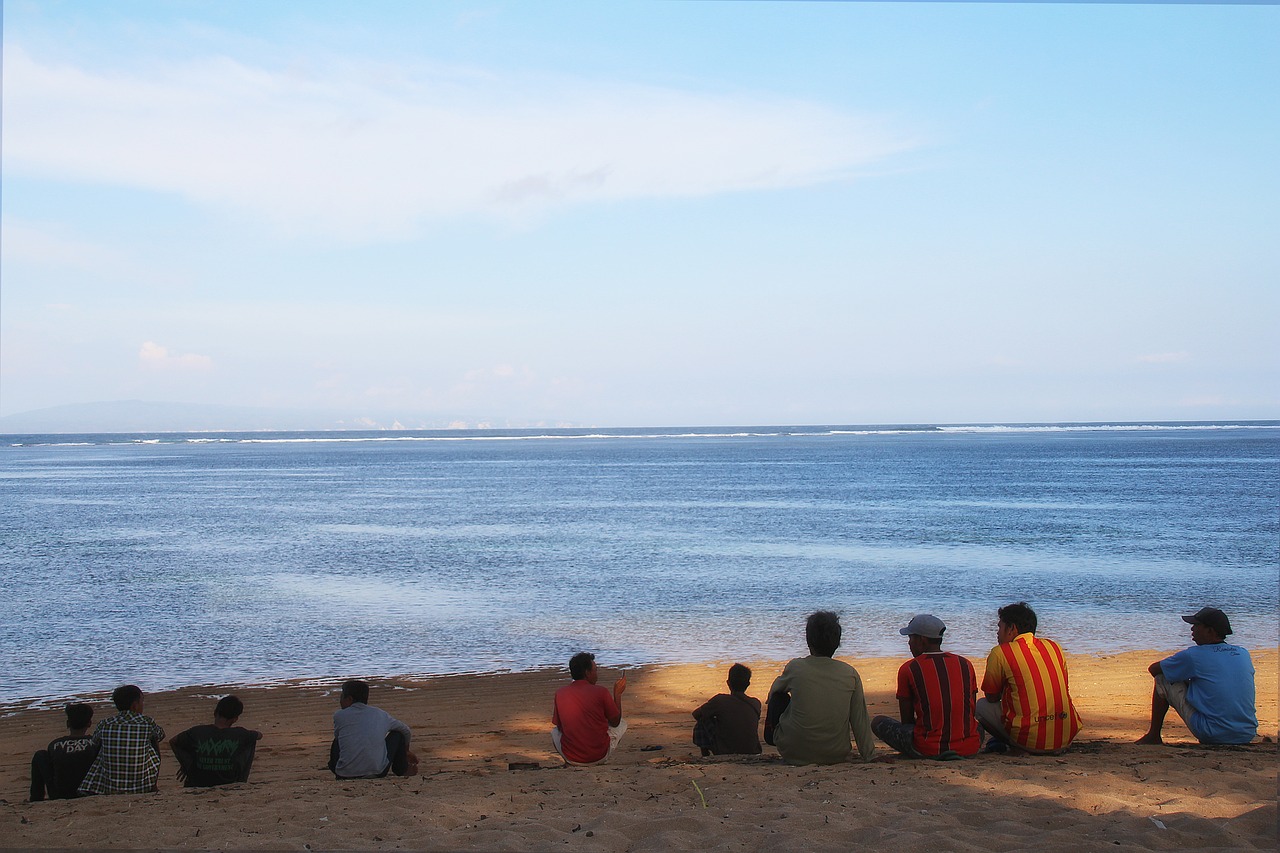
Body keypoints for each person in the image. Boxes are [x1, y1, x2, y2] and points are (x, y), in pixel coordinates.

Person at [763, 611, 875, 765]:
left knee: (779, 697)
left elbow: (772, 695)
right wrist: (869, 755)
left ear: (808, 641)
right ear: (837, 643)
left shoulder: (796, 667)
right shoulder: (849, 673)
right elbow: (859, 719)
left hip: (794, 752)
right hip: (836, 754)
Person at [1136, 607, 1257, 746]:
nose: (1192, 629)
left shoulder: (1194, 655)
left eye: (1196, 625)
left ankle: (1153, 735)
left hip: (1213, 733)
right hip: (1247, 733)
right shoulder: (1242, 653)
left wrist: (1184, 680)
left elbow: (1154, 669)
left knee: (1162, 678)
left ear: (1210, 631)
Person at [976, 602, 1082, 755]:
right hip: (1065, 738)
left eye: (999, 627)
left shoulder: (1001, 652)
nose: (997, 633)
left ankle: (1018, 745)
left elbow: (991, 697)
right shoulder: (1054, 647)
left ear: (1012, 628)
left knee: (981, 706)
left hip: (1032, 742)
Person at [871, 614, 981, 759]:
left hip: (928, 748)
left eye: (911, 638)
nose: (909, 643)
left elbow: (907, 720)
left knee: (878, 722)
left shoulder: (909, 668)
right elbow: (970, 711)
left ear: (921, 640)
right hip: (969, 747)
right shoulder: (965, 664)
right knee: (978, 726)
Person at [78, 685, 166, 795]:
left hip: (110, 786)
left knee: (102, 745)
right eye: (142, 701)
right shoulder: (147, 722)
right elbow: (161, 735)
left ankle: (96, 784)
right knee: (153, 741)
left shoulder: (105, 723)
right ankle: (153, 785)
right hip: (142, 786)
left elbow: (94, 743)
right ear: (135, 705)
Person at [329, 680, 418, 779]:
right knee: (398, 734)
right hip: (378, 772)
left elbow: (339, 739)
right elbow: (406, 730)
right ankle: (402, 769)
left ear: (349, 699)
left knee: (337, 739)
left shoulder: (339, 715)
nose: (340, 701)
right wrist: (406, 751)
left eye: (341, 697)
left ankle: (341, 768)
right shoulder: (380, 714)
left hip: (344, 774)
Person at [551, 652, 627, 765]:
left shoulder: (560, 693)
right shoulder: (601, 692)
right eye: (595, 670)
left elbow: (559, 726)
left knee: (554, 731)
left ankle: (573, 756)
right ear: (587, 673)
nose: (597, 674)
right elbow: (615, 722)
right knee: (622, 723)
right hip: (598, 756)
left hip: (571, 757)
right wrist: (617, 695)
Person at [169, 695, 263, 787]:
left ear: (215, 713)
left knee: (190, 742)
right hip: (228, 779)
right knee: (250, 741)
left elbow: (173, 741)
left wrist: (185, 764)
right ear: (235, 719)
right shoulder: (240, 734)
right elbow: (259, 735)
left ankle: (194, 769)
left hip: (198, 780)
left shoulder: (197, 731)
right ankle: (240, 780)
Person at [30, 703, 99, 801]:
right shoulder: (95, 743)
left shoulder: (55, 745)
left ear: (67, 724)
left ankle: (36, 797)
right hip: (89, 790)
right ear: (89, 723)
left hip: (60, 794)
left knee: (40, 755)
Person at [692, 663, 762, 756]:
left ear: (728, 682)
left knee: (702, 720)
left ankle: (705, 755)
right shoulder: (756, 703)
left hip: (726, 751)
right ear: (748, 684)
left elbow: (696, 714)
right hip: (753, 751)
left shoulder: (720, 700)